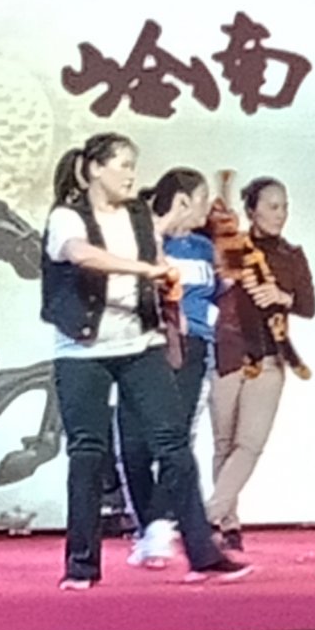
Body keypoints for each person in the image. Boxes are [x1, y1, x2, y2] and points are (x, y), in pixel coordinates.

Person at [39, 133, 248, 587]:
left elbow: (156, 260)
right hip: (84, 349)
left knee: (173, 444)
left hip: (140, 343)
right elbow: (80, 255)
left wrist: (169, 302)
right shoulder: (67, 216)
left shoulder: (137, 215)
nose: (131, 174)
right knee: (87, 452)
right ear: (95, 169)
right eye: (122, 165)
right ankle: (81, 565)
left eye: (133, 165)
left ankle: (202, 554)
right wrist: (143, 269)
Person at [207, 176, 315, 549]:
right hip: (229, 351)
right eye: (272, 206)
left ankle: (209, 516)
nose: (280, 214)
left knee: (250, 443)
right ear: (252, 210)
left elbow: (308, 305)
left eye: (284, 206)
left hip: (270, 357)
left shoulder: (291, 255)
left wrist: (283, 296)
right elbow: (217, 290)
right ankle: (228, 525)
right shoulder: (234, 246)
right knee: (224, 443)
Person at [121, 168, 218, 568]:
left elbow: (217, 294)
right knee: (133, 444)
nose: (207, 207)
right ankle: (148, 527)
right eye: (202, 198)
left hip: (191, 348)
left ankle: (162, 523)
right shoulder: (139, 241)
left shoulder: (204, 247)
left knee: (175, 439)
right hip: (144, 345)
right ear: (181, 201)